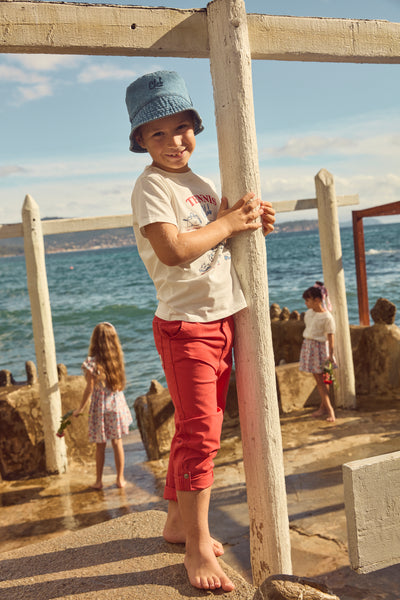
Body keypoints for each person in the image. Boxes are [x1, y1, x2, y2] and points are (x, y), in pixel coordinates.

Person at [125, 70, 275, 592]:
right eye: (158, 133)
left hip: (220, 320)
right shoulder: (152, 185)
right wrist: (227, 224)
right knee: (202, 437)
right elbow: (173, 250)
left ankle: (175, 522)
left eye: (181, 128)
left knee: (195, 429)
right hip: (187, 327)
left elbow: (216, 237)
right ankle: (196, 547)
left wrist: (248, 221)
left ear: (196, 127)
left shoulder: (201, 184)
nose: (173, 142)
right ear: (140, 140)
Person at [74, 322, 133, 489]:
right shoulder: (116, 360)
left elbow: (89, 388)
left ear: (95, 340)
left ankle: (99, 481)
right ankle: (120, 479)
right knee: (117, 442)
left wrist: (80, 408)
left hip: (100, 407)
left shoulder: (91, 363)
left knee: (100, 446)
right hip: (116, 405)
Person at [299, 281, 336, 423]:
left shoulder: (327, 317)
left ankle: (330, 410)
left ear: (317, 300)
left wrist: (331, 355)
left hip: (321, 350)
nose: (306, 303)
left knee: (324, 380)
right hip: (310, 347)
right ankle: (324, 407)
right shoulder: (309, 314)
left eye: (308, 300)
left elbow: (330, 337)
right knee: (321, 381)